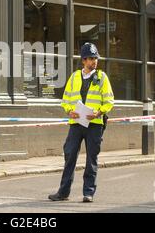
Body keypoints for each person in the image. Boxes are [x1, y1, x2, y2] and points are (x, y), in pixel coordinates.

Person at [48, 42, 114, 203]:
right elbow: (66, 99)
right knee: (69, 155)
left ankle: (88, 192)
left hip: (95, 124)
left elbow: (109, 100)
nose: (94, 61)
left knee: (91, 159)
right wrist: (69, 110)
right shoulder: (74, 77)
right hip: (76, 123)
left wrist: (99, 112)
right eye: (91, 58)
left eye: (95, 58)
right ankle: (63, 192)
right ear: (83, 60)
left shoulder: (102, 77)